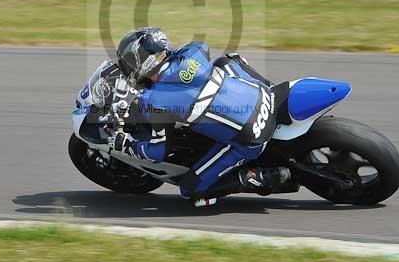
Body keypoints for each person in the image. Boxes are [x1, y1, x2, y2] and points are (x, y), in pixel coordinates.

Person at [106, 26, 292, 206]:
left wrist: (128, 145)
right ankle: (266, 84)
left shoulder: (154, 101)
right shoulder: (193, 52)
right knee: (226, 61)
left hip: (251, 137)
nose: (128, 67)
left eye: (130, 61)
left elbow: (157, 152)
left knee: (190, 189)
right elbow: (201, 46)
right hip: (265, 95)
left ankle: (256, 177)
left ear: (145, 62)